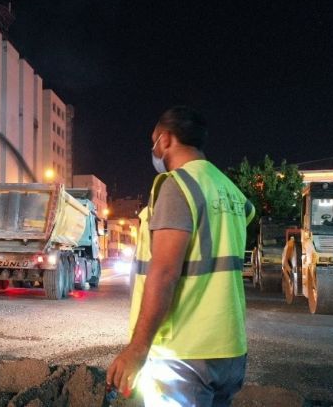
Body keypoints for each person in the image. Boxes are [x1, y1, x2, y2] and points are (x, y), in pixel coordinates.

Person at [106, 106, 255, 406]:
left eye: (154, 141)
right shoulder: (231, 191)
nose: (154, 149)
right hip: (230, 349)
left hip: (185, 353)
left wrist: (137, 349)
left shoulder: (178, 186)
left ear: (166, 139)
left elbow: (164, 274)